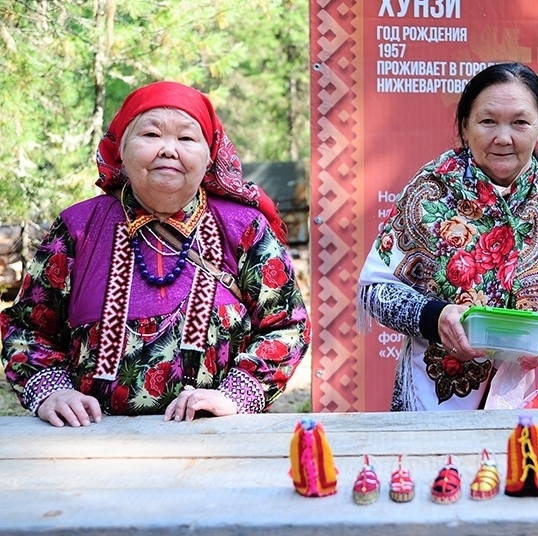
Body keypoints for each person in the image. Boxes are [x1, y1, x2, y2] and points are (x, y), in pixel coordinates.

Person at [0, 81, 309, 426]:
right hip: (91, 447)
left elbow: (286, 325)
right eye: (150, 134)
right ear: (121, 150)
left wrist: (234, 396)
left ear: (209, 157)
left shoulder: (243, 228)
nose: (168, 150)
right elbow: (27, 328)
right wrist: (52, 391)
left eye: (187, 138)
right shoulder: (78, 227)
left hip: (218, 441)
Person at [358, 62, 538, 411]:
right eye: (487, 121)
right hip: (435, 399)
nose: (503, 137)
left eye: (520, 122)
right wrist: (435, 317)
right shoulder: (428, 192)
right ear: (465, 127)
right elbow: (378, 291)